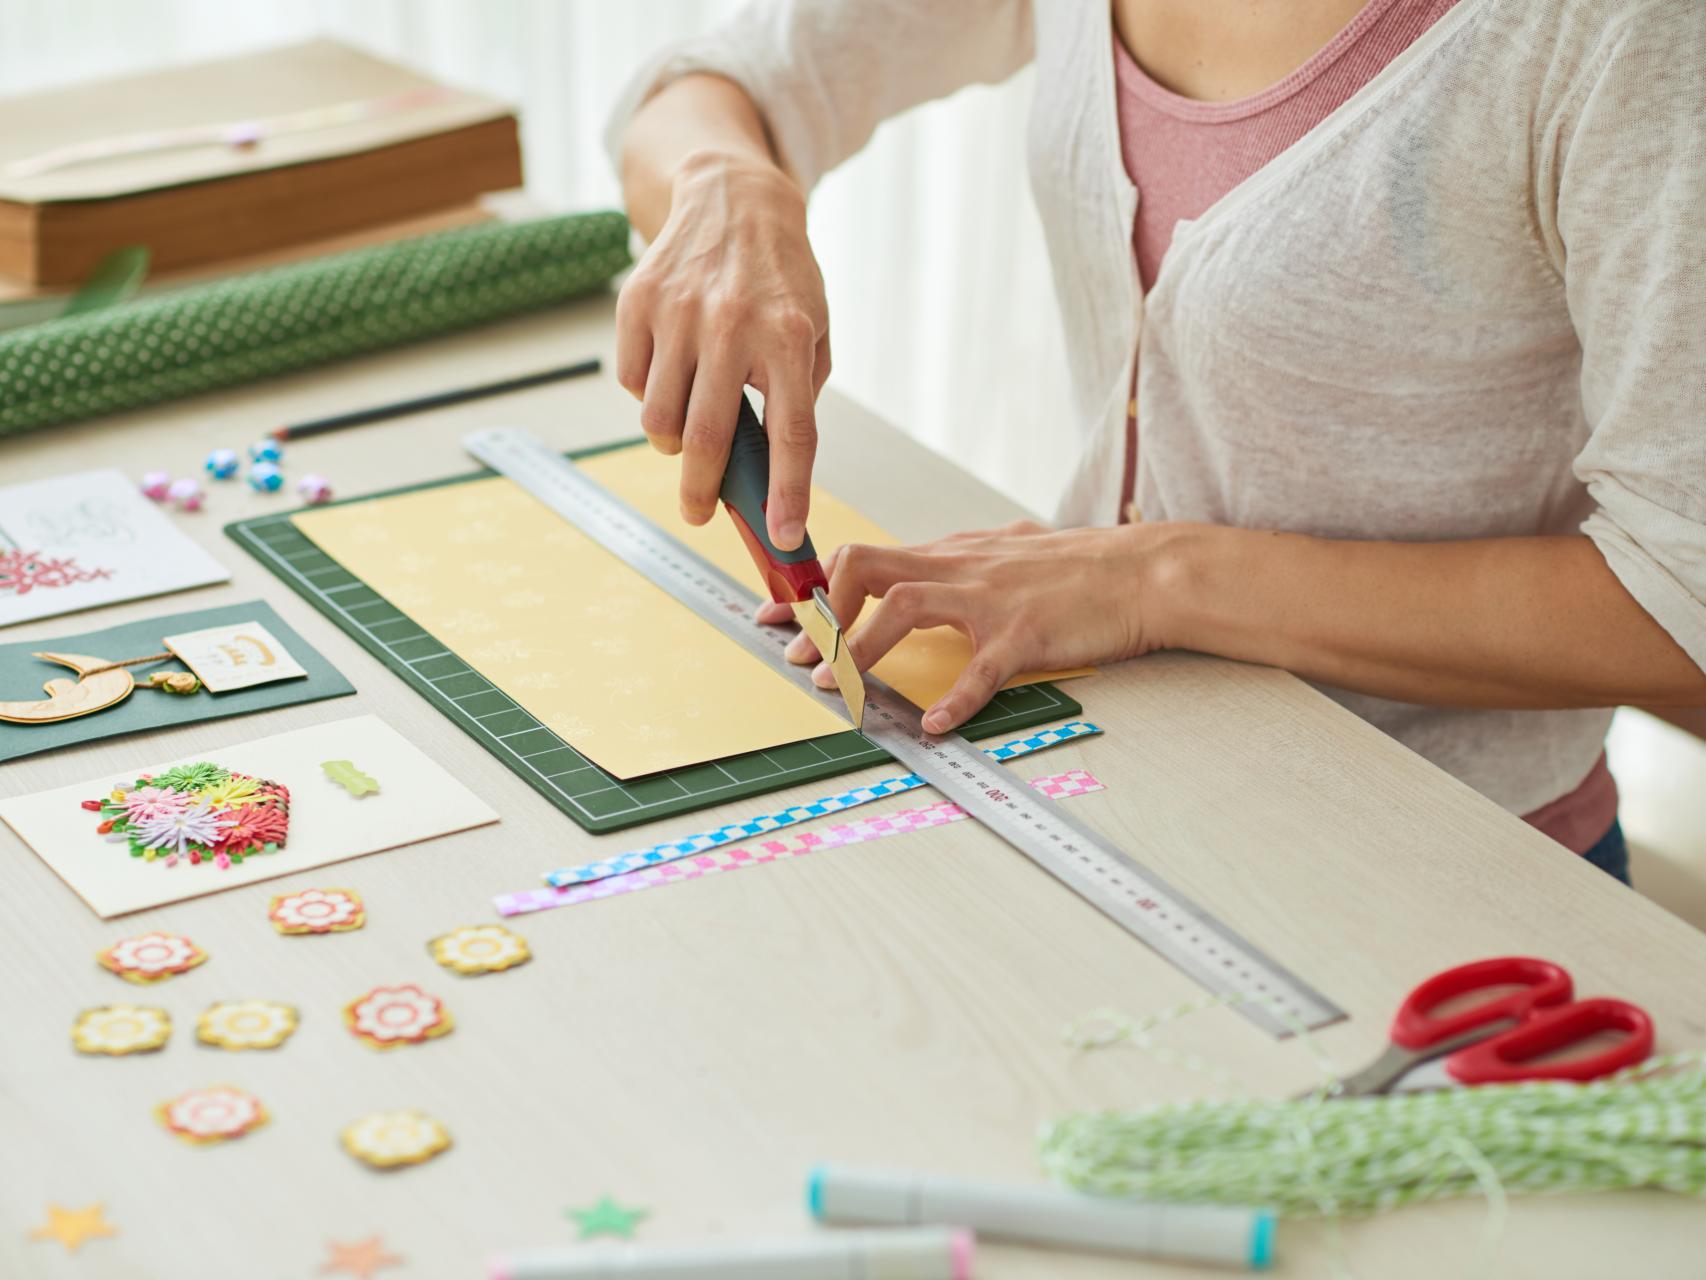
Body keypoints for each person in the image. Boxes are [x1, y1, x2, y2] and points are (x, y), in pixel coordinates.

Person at [608, 0, 1706, 884]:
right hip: (1096, 787)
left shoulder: (1621, 34)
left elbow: (1681, 598)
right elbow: (703, 90)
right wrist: (728, 185)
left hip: (1440, 864)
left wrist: (1156, 579)